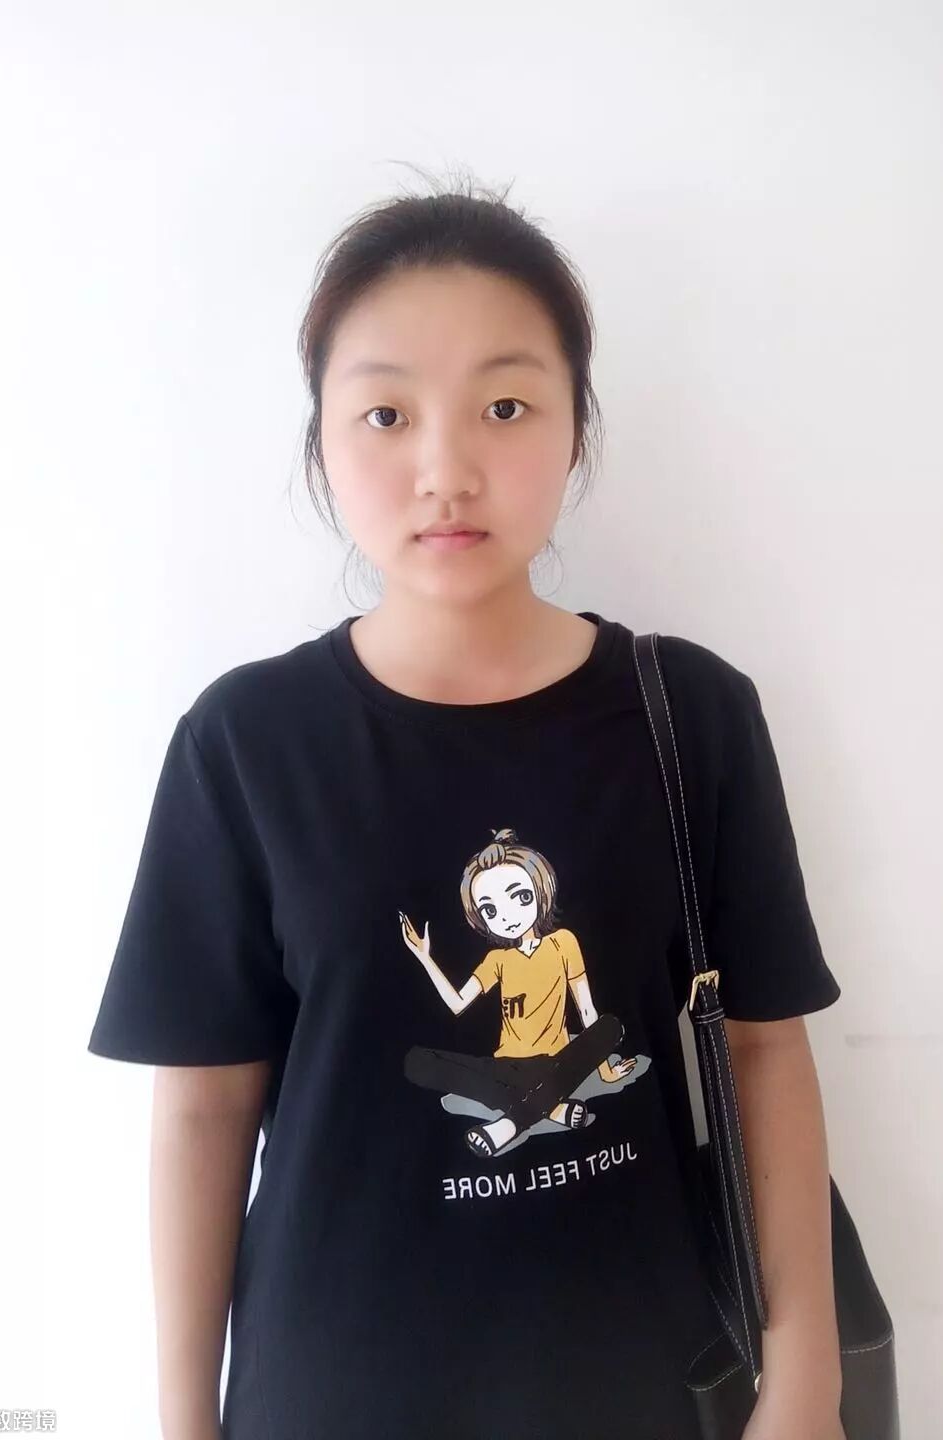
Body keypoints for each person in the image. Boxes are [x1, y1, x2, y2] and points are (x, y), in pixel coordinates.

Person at [88, 171, 845, 1440]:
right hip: (334, 1395)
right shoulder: (247, 744)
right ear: (323, 441)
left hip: (651, 1383)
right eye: (386, 413)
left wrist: (805, 1374)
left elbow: (765, 1048)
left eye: (504, 405)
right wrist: (181, 1422)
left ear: (574, 427)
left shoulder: (690, 714)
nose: (446, 470)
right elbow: (205, 1105)